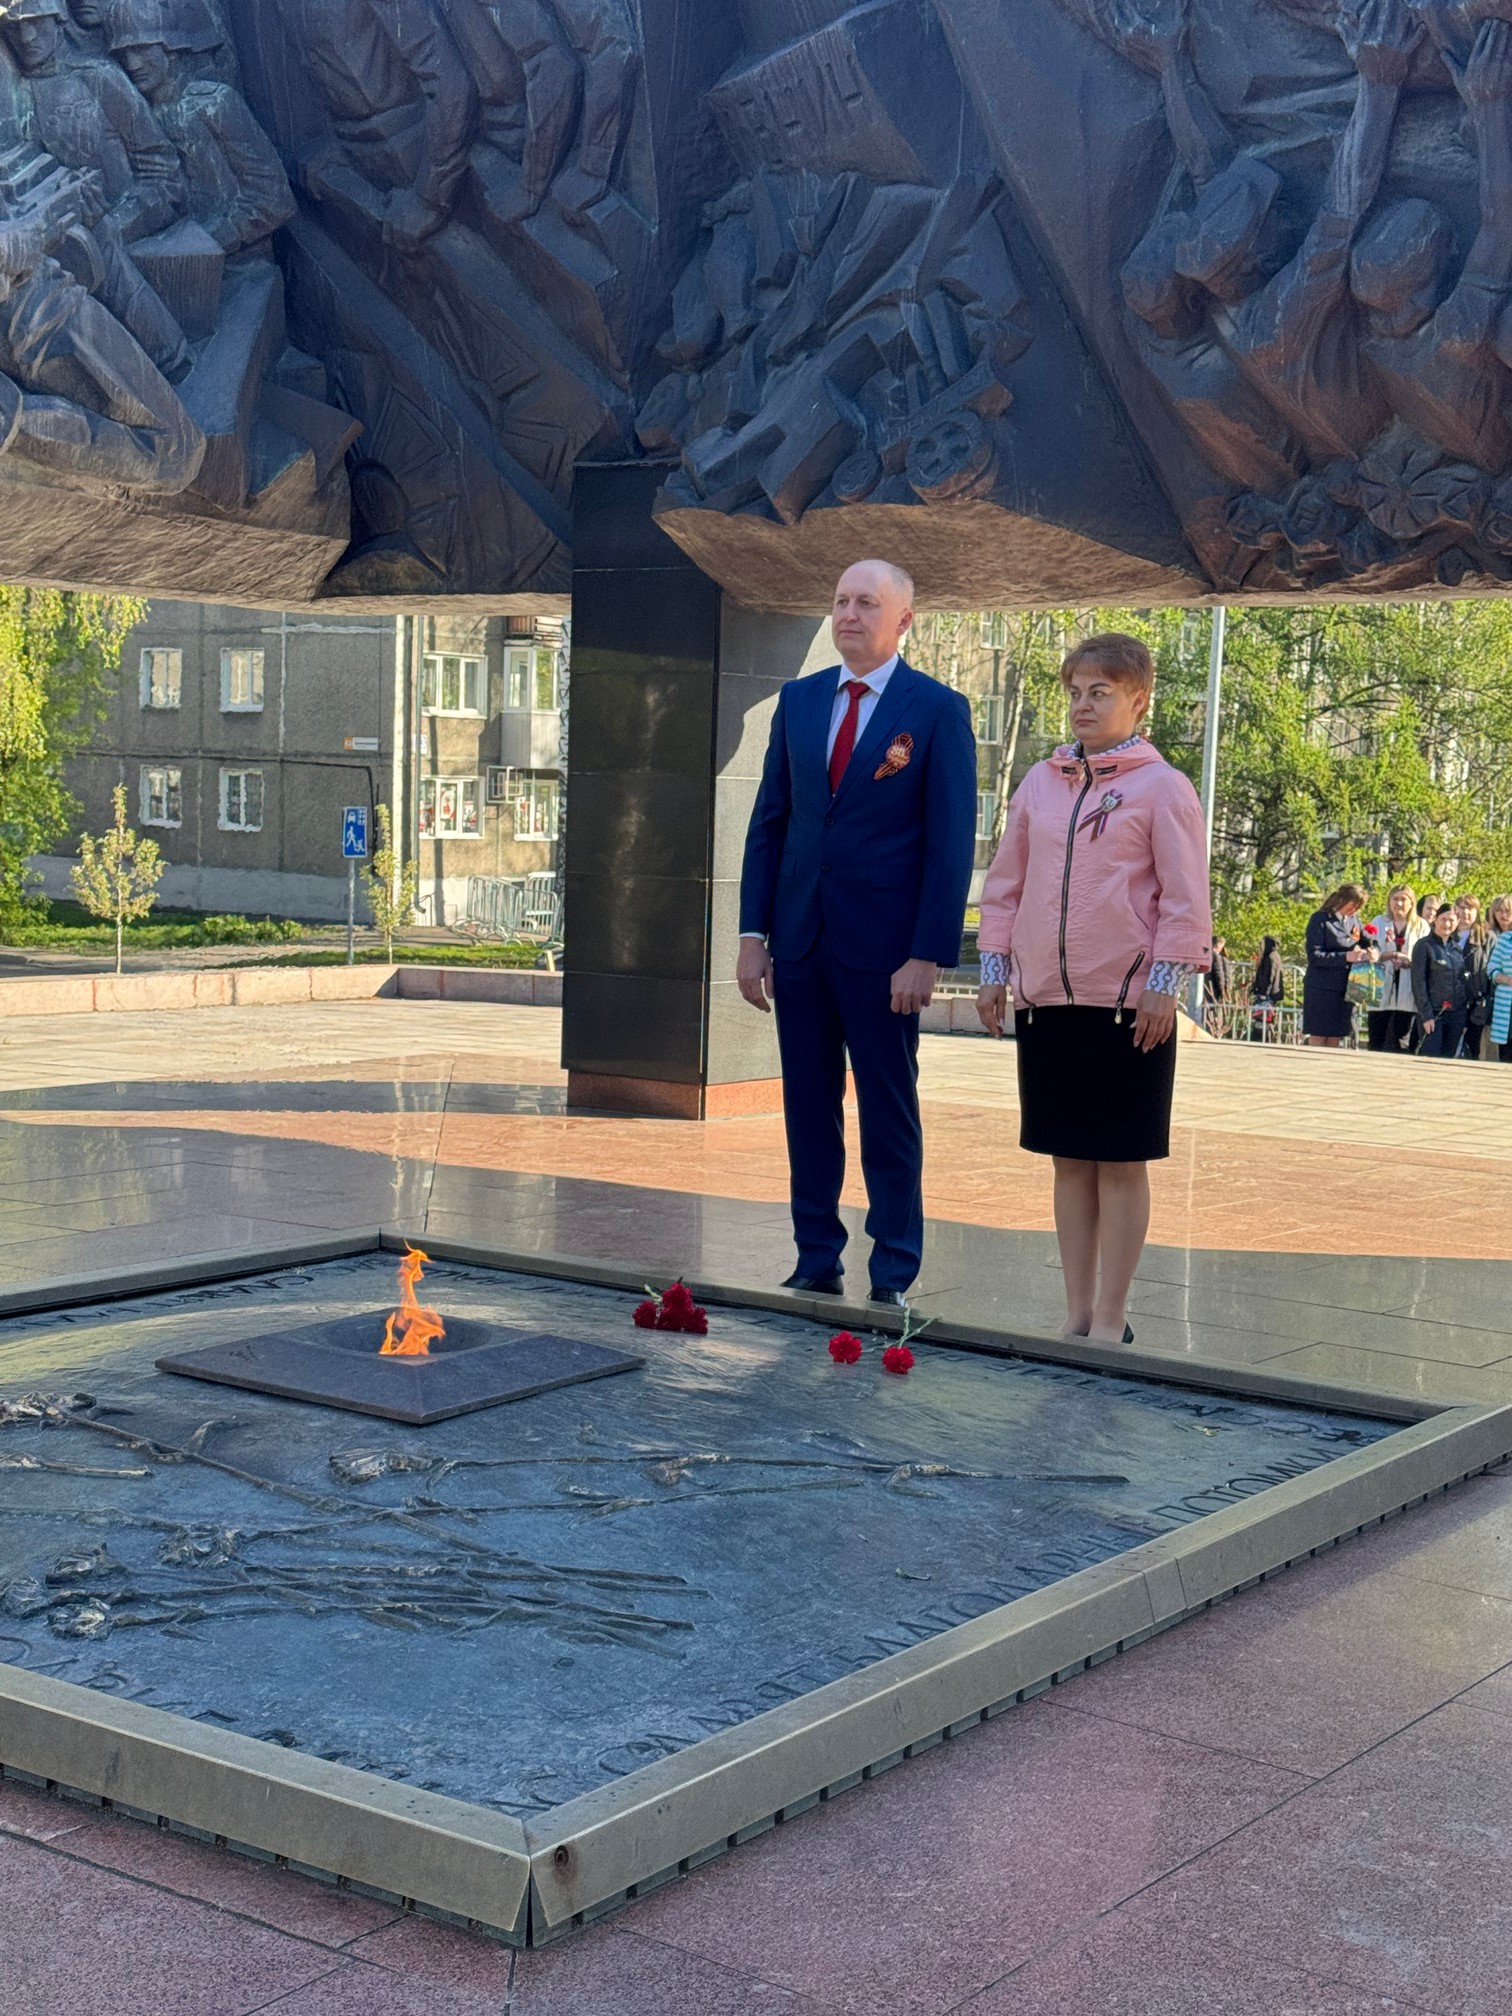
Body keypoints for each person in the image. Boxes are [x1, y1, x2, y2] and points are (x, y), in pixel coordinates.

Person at [738, 561, 977, 1306]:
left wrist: (926, 953)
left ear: (903, 620)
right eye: (841, 600)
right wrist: (752, 935)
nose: (849, 613)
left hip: (886, 954)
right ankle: (817, 1256)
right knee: (809, 1108)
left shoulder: (937, 709)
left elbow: (949, 842)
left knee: (887, 1112)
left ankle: (894, 1268)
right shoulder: (800, 700)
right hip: (801, 942)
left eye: (867, 603)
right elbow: (771, 822)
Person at [976, 633, 1213, 1346]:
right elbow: (1006, 885)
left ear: (1138, 700)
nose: (1083, 704)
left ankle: (1112, 1317)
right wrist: (995, 972)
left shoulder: (1163, 787)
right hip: (1047, 1001)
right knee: (1069, 1160)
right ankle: (1076, 1312)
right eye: (1076, 691)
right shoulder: (1040, 783)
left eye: (1100, 692)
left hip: (1128, 1007)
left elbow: (1184, 899)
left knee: (1120, 1161)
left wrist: (1164, 986)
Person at [1303, 883, 1375, 1045]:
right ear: (1341, 900)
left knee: (1336, 1036)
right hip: (1321, 987)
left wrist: (1372, 950)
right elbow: (1315, 956)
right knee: (1319, 1034)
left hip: (1344, 987)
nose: (1354, 910)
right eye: (1353, 905)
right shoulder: (1320, 919)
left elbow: (1365, 941)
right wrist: (1346, 956)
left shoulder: (1354, 920)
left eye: (1358, 907)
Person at [1367, 883, 1424, 1052]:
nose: (1399, 903)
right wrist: (1390, 955)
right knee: (1377, 1038)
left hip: (1408, 986)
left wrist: (1408, 961)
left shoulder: (1421, 926)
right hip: (1381, 983)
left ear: (1412, 902)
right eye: (1395, 899)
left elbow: (1424, 956)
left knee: (1402, 1039)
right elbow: (1369, 948)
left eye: (1403, 899)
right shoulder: (1378, 922)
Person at [1413, 902, 1471, 1057]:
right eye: (1443, 919)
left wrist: (1463, 1015)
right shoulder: (1424, 946)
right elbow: (1418, 983)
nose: (1447, 924)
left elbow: (1462, 981)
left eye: (1451, 920)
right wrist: (1426, 1015)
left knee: (1448, 1059)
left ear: (1457, 922)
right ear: (1435, 920)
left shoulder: (1456, 948)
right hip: (1434, 1013)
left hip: (1456, 1014)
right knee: (1430, 1057)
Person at [1455, 892, 1493, 1055]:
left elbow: (1491, 970)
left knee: (1472, 1048)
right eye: (1461, 908)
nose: (1465, 912)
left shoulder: (1486, 937)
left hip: (1476, 1002)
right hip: (1451, 1000)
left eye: (1470, 908)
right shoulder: (1447, 934)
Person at [1488, 896, 1512, 1060]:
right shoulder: (1504, 939)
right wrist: (1507, 979)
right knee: (1506, 1054)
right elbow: (1492, 969)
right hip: (1506, 1008)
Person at [1250, 933, 1285, 1041]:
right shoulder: (1273, 955)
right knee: (1264, 1018)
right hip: (1269, 992)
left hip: (1267, 994)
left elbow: (1270, 976)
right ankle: (1264, 1037)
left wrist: (1264, 992)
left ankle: (1263, 1038)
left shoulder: (1271, 956)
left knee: (1263, 1018)